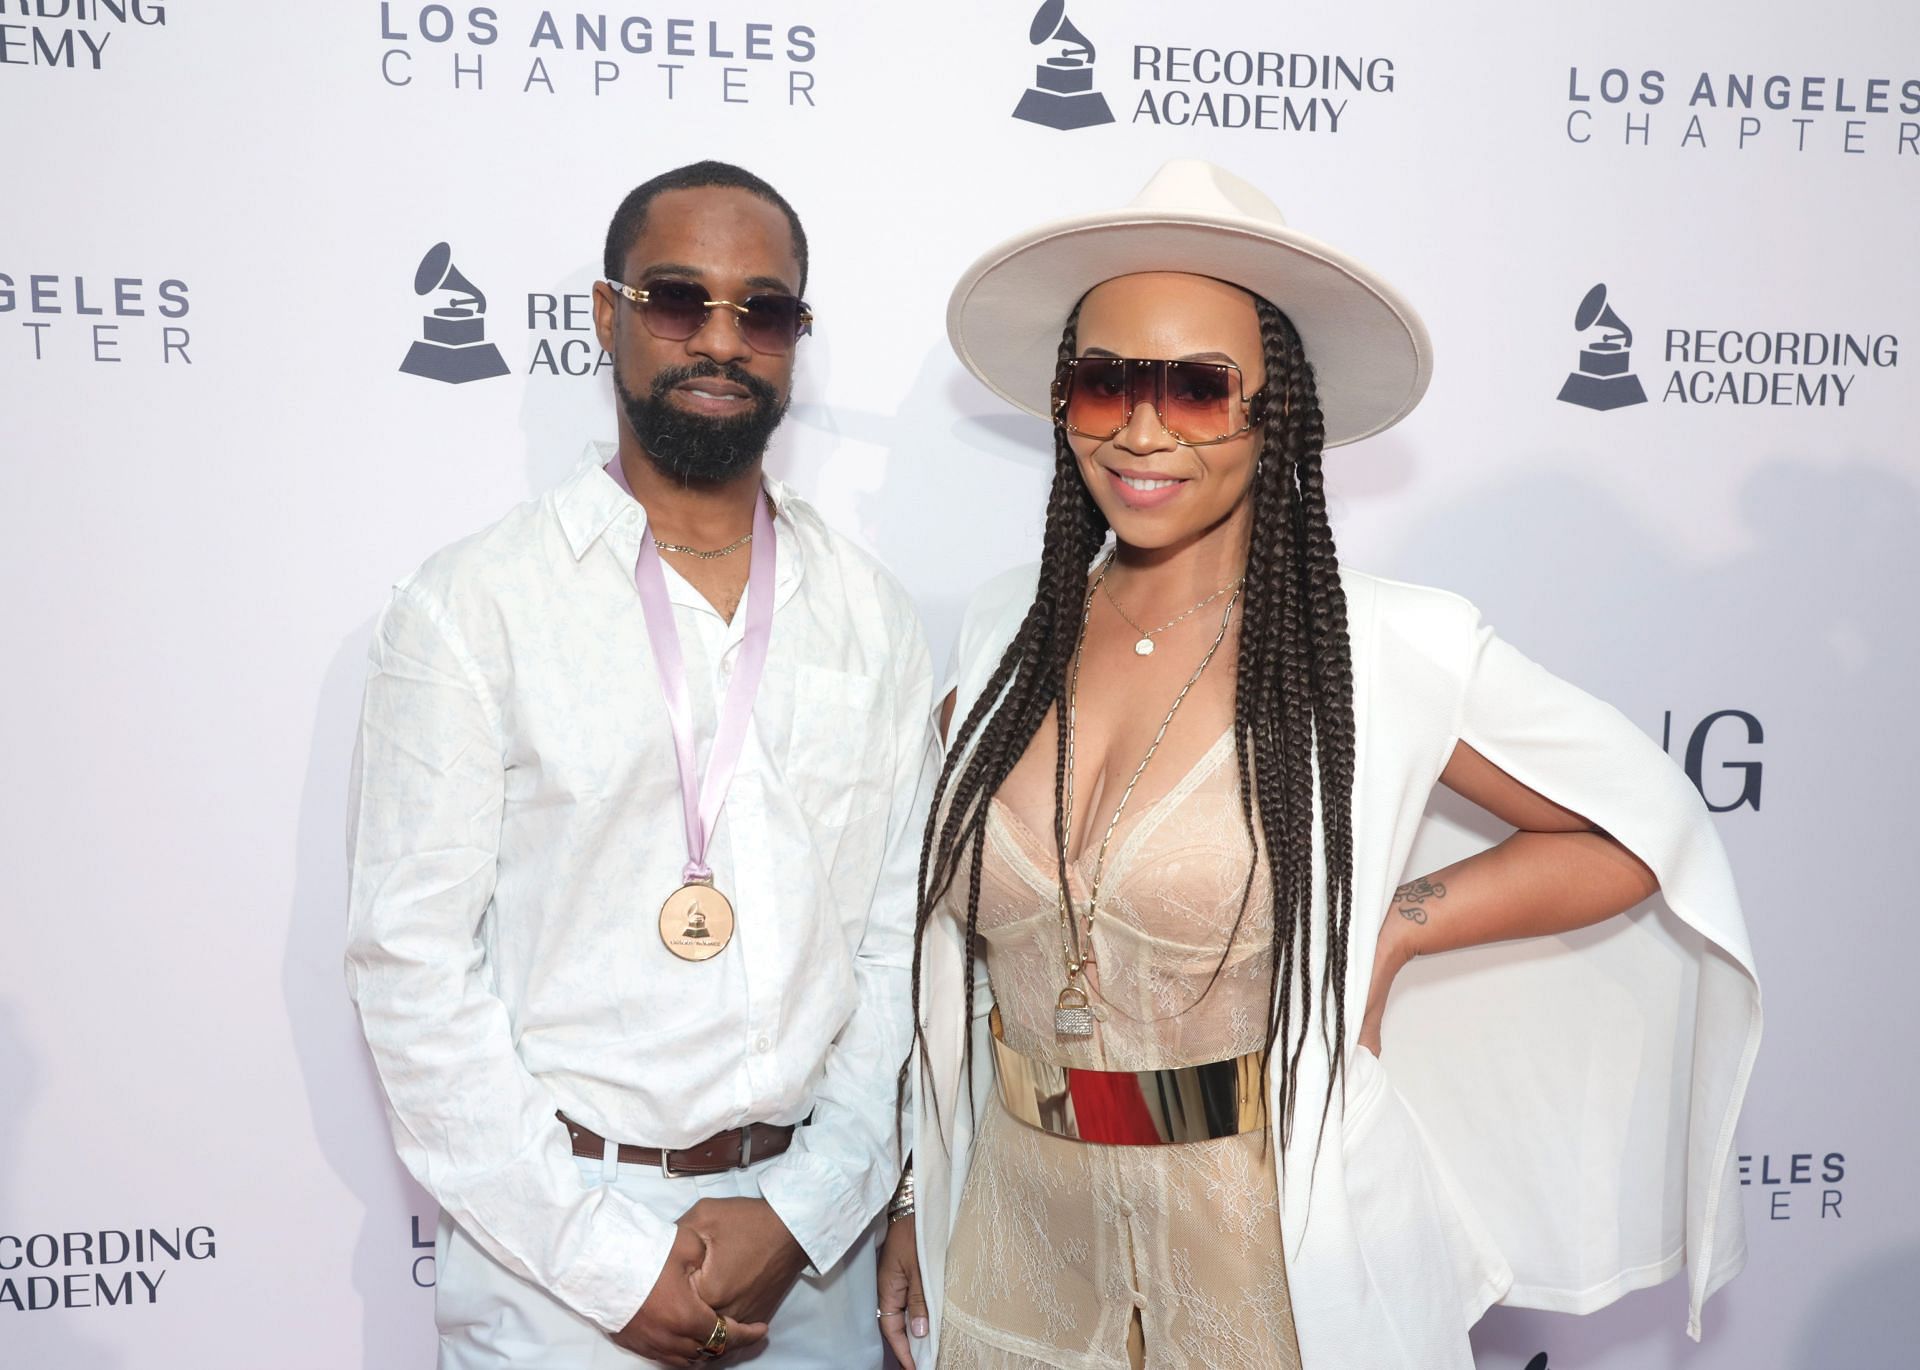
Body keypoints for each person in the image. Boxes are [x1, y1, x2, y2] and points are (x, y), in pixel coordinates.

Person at [876, 161, 1760, 1369]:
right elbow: (964, 981)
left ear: (1275, 410)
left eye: (1197, 388)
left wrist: (1394, 924)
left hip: (1279, 1259)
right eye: (1105, 382)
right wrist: (922, 1190)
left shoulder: (1383, 646)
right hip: (1020, 1252)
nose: (1143, 428)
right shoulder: (1001, 638)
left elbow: (1637, 829)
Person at [347, 160, 934, 1369]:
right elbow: (412, 971)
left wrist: (807, 1203)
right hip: (556, 1265)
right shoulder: (475, 606)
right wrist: (607, 1266)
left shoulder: (872, 615)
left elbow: (894, 945)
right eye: (679, 299)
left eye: (761, 311)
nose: (720, 339)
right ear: (608, 316)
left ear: (795, 341)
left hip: (803, 1258)